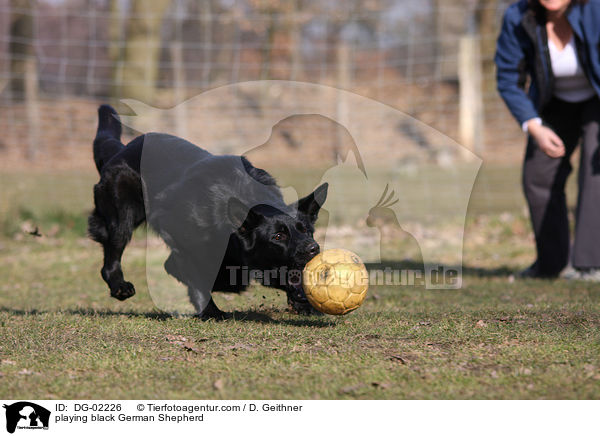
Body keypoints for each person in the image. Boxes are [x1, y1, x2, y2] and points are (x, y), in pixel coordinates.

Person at [495, 0, 600, 279]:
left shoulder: (596, 9)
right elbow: (508, 78)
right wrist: (533, 125)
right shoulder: (518, 17)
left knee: (595, 169)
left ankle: (591, 265)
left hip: (597, 101)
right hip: (553, 103)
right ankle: (552, 265)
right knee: (537, 176)